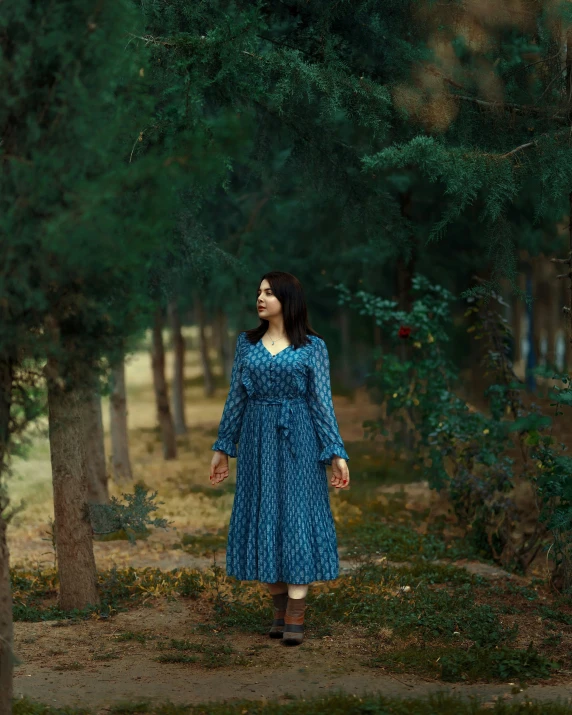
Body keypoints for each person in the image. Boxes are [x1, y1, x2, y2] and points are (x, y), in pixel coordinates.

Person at [209, 271, 350, 645]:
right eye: (258, 292)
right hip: (257, 441)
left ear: (287, 299)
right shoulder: (247, 343)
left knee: (298, 516)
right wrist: (223, 447)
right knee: (264, 515)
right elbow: (236, 397)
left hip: (299, 438)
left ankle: (296, 615)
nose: (260, 299)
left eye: (269, 293)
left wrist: (335, 451)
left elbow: (322, 403)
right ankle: (277, 611)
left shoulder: (313, 347)